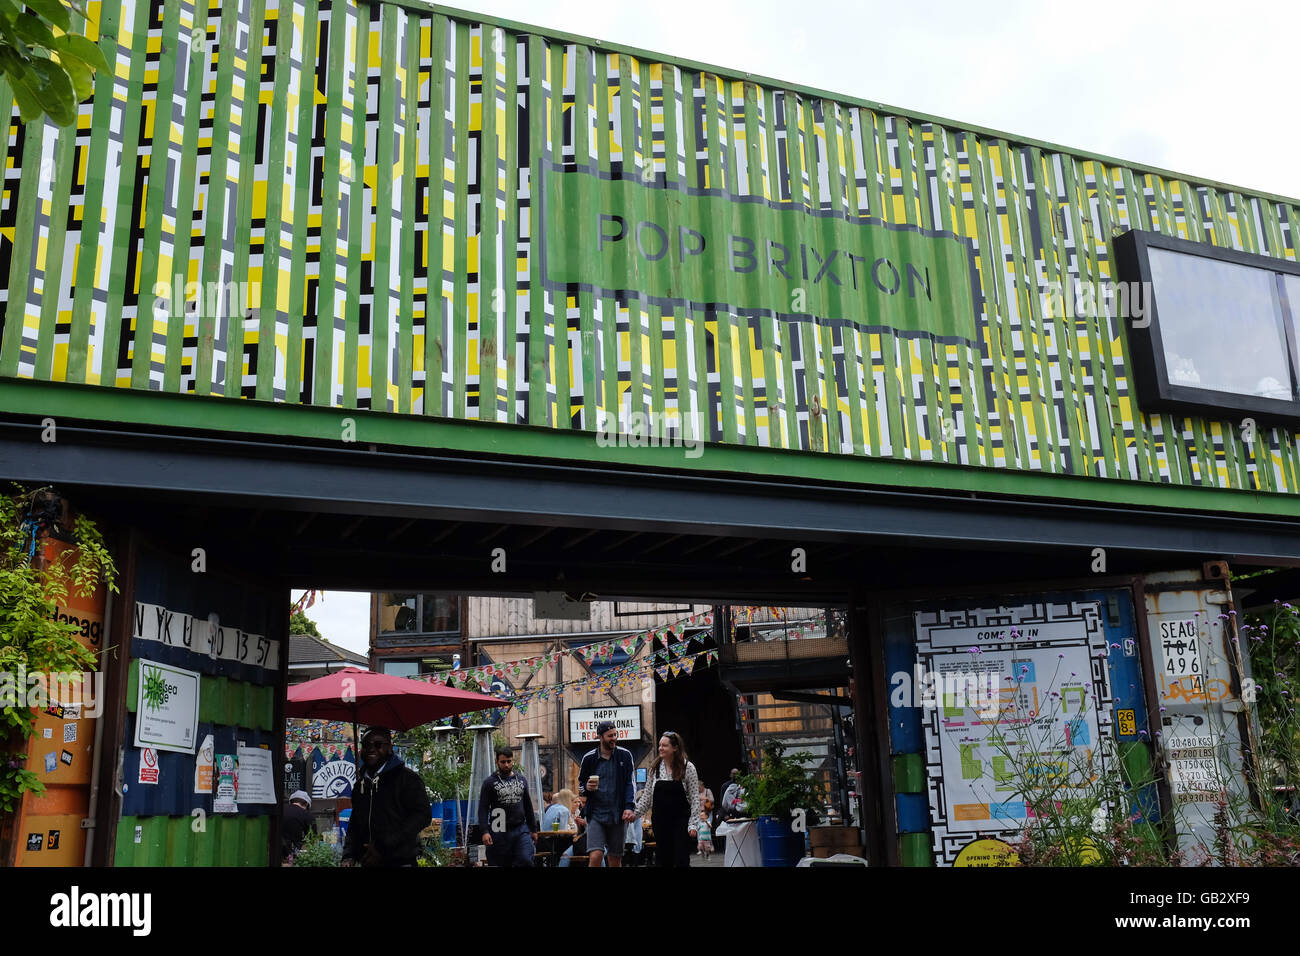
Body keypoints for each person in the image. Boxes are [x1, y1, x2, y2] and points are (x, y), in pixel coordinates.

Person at [343, 727, 432, 867]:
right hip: (368, 861)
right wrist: (348, 854)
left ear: (390, 748)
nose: (371, 749)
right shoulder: (360, 785)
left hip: (400, 861)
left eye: (378, 744)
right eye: (366, 745)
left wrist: (382, 847)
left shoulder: (407, 779)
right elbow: (355, 823)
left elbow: (422, 816)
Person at [634, 731, 701, 867]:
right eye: (659, 745)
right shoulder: (655, 768)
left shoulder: (688, 767)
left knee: (681, 859)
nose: (660, 748)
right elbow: (647, 796)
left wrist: (693, 824)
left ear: (675, 748)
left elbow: (694, 798)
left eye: (664, 746)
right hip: (660, 821)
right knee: (663, 859)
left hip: (680, 821)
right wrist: (634, 814)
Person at [577, 721, 637, 867]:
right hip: (596, 814)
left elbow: (630, 783)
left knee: (615, 859)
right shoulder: (589, 758)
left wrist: (629, 806)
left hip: (617, 815)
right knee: (596, 855)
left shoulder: (625, 755)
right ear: (600, 737)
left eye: (615, 735)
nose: (614, 738)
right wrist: (586, 787)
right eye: (610, 735)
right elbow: (580, 785)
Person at [478, 744, 539, 867]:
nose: (506, 765)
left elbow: (528, 805)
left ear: (513, 761)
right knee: (499, 862)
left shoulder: (521, 780)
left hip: (520, 828)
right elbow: (483, 808)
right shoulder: (489, 782)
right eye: (503, 762)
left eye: (509, 761)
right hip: (498, 827)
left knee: (525, 859)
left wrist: (533, 829)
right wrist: (484, 831)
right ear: (497, 762)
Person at [281, 789, 315, 859]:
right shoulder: (307, 815)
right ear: (306, 804)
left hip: (274, 851)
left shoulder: (280, 810)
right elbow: (312, 839)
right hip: (293, 853)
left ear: (291, 802)